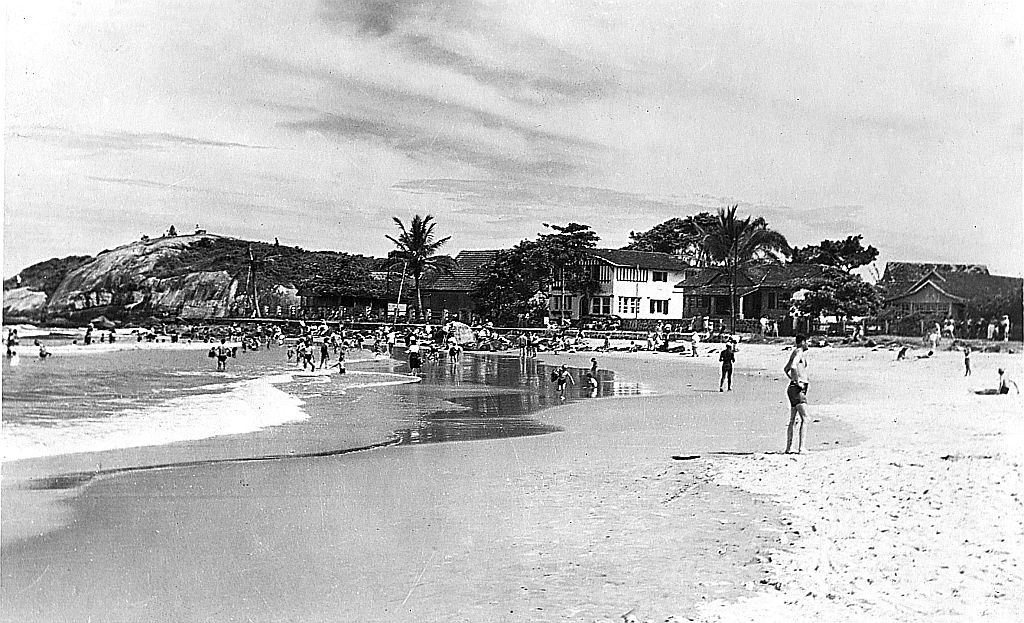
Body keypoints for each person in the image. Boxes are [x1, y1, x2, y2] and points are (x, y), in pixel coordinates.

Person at [783, 334, 810, 454]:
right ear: (803, 342)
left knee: (793, 419)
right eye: (807, 342)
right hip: (798, 389)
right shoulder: (798, 352)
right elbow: (793, 367)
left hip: (793, 389)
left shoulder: (795, 352)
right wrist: (797, 381)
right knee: (805, 418)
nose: (808, 344)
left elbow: (786, 369)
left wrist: (793, 380)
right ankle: (801, 447)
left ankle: (789, 447)